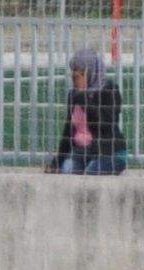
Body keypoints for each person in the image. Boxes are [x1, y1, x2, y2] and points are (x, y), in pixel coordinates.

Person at [46, 48, 126, 176]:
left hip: (108, 153)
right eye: (72, 75)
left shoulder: (110, 90)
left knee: (91, 173)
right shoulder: (74, 95)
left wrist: (84, 98)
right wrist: (58, 161)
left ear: (89, 73)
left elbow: (106, 125)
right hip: (81, 153)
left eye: (78, 75)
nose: (74, 79)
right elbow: (68, 131)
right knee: (66, 170)